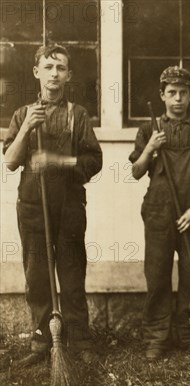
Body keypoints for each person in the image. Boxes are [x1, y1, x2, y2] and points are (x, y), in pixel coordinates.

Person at [3, 44, 103, 365]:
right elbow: (10, 161)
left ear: (68, 74)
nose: (54, 74)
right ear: (37, 73)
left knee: (72, 273)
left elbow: (94, 161)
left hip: (70, 205)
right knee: (37, 276)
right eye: (48, 67)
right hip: (32, 206)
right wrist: (28, 128)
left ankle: (79, 340)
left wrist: (58, 160)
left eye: (60, 68)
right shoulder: (22, 114)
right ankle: (42, 340)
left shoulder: (79, 115)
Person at [129, 66, 190, 360]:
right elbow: (136, 171)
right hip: (158, 212)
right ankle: (156, 337)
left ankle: (187, 333)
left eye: (183, 93)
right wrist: (150, 148)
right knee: (157, 276)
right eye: (171, 93)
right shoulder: (148, 130)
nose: (177, 99)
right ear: (162, 95)